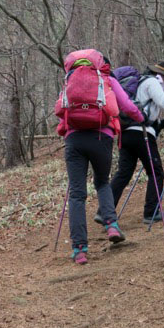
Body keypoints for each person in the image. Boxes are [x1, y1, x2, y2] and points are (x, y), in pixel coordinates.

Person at [55, 49, 145, 265]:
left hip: (74, 139)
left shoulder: (70, 80)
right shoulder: (106, 79)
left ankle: (79, 250)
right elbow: (126, 106)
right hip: (101, 137)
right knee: (102, 182)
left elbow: (59, 109)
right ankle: (111, 225)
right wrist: (141, 118)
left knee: (77, 194)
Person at [104, 61, 164, 224]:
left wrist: (156, 126)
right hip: (141, 134)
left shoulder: (139, 83)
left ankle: (105, 211)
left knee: (124, 173)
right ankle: (151, 212)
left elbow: (145, 109)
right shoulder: (153, 82)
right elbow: (163, 103)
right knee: (156, 172)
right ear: (163, 76)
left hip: (125, 133)